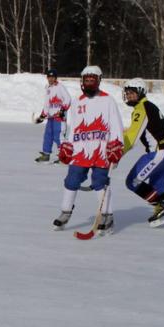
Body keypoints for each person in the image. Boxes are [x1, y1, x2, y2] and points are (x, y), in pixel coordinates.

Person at [51, 65, 124, 233]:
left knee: (100, 182)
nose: (89, 82)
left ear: (99, 81)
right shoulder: (77, 102)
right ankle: (65, 211)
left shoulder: (108, 100)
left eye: (93, 80)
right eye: (87, 80)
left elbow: (116, 126)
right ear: (82, 81)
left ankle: (107, 215)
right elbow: (74, 128)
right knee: (72, 179)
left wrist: (116, 146)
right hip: (80, 149)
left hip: (102, 150)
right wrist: (68, 146)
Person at [120, 78, 164, 228]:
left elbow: (131, 137)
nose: (129, 96)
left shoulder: (141, 109)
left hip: (161, 152)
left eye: (132, 93)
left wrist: (116, 154)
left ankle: (161, 206)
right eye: (127, 93)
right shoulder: (149, 106)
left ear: (141, 93)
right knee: (159, 185)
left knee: (132, 181)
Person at [34, 68, 71, 163]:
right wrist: (42, 116)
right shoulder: (48, 88)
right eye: (49, 77)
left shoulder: (60, 87)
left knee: (58, 136)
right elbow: (47, 104)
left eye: (52, 77)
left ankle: (64, 156)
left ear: (55, 78)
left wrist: (62, 110)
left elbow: (68, 99)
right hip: (51, 118)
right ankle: (46, 155)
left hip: (59, 118)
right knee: (48, 135)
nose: (50, 79)